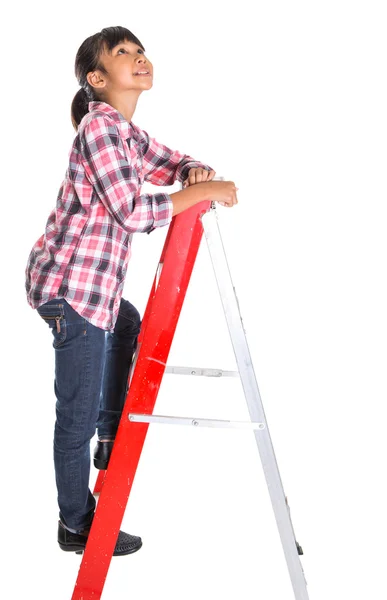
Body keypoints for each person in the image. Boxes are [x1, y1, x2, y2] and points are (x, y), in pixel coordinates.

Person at [25, 25, 239, 557]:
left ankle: (110, 432)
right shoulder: (98, 130)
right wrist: (202, 194)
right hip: (71, 289)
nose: (140, 58)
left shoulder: (125, 132)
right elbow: (132, 211)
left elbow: (167, 160)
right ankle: (76, 523)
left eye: (141, 51)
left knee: (127, 324)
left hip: (96, 290)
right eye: (124, 54)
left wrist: (191, 170)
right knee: (72, 410)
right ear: (98, 79)